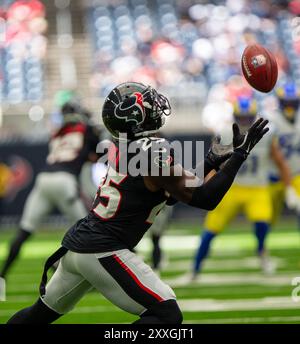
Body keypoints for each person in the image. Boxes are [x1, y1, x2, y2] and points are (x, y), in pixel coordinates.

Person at [7, 82, 269, 324]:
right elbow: (204, 198)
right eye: (149, 105)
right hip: (102, 249)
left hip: (81, 246)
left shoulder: (131, 146)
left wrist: (212, 160)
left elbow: (179, 188)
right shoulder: (152, 151)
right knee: (167, 315)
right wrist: (240, 156)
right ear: (135, 117)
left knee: (36, 316)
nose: (156, 107)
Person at [192, 96, 292, 278]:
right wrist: (207, 184)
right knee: (210, 229)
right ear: (235, 117)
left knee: (262, 223)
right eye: (242, 117)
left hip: (257, 187)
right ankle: (195, 268)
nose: (245, 122)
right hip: (231, 187)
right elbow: (213, 163)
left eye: (248, 118)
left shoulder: (266, 133)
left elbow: (279, 160)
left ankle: (262, 254)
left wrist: (289, 187)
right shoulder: (224, 131)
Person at [0, 102, 101, 279]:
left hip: (44, 179)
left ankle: (2, 275)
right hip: (64, 180)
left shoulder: (57, 132)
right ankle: (70, 267)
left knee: (24, 231)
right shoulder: (86, 129)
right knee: (88, 231)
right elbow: (95, 155)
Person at [268, 81, 300, 224]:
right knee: (268, 217)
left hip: (296, 173)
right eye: (286, 102)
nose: (289, 105)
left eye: (292, 102)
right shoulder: (271, 120)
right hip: (274, 175)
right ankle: (261, 244)